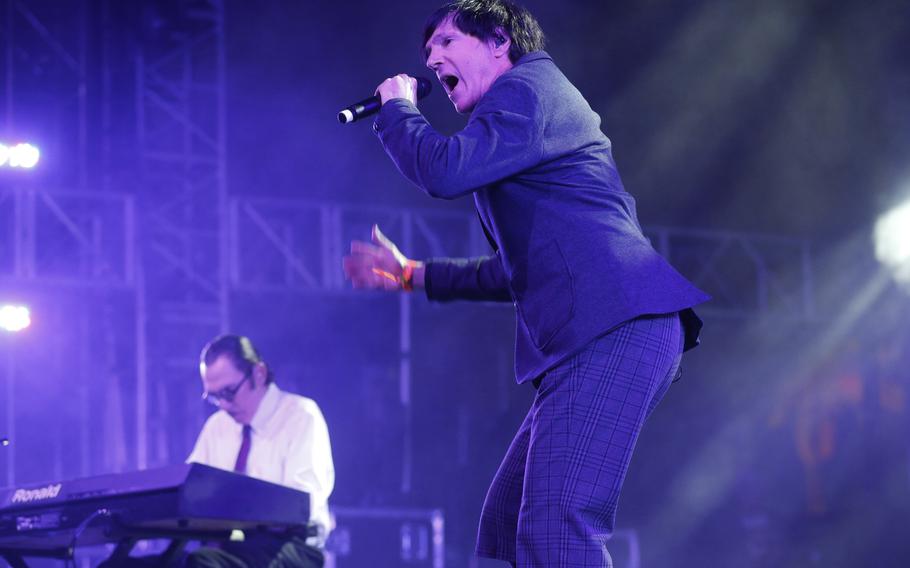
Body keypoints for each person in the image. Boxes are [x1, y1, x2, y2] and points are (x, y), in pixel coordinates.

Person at [342, 1, 710, 566]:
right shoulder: (515, 126)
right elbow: (517, 271)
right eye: (427, 53)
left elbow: (442, 169)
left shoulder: (528, 87)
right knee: (505, 529)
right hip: (605, 330)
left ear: (497, 41)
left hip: (616, 325)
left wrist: (396, 107)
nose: (432, 59)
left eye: (445, 43)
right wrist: (414, 275)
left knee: (560, 521)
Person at [185, 334, 334, 568]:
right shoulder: (217, 426)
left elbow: (301, 506)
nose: (223, 405)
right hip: (226, 546)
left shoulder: (301, 416)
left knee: (203, 564)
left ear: (259, 374)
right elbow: (187, 492)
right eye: (214, 397)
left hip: (291, 546)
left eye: (229, 392)